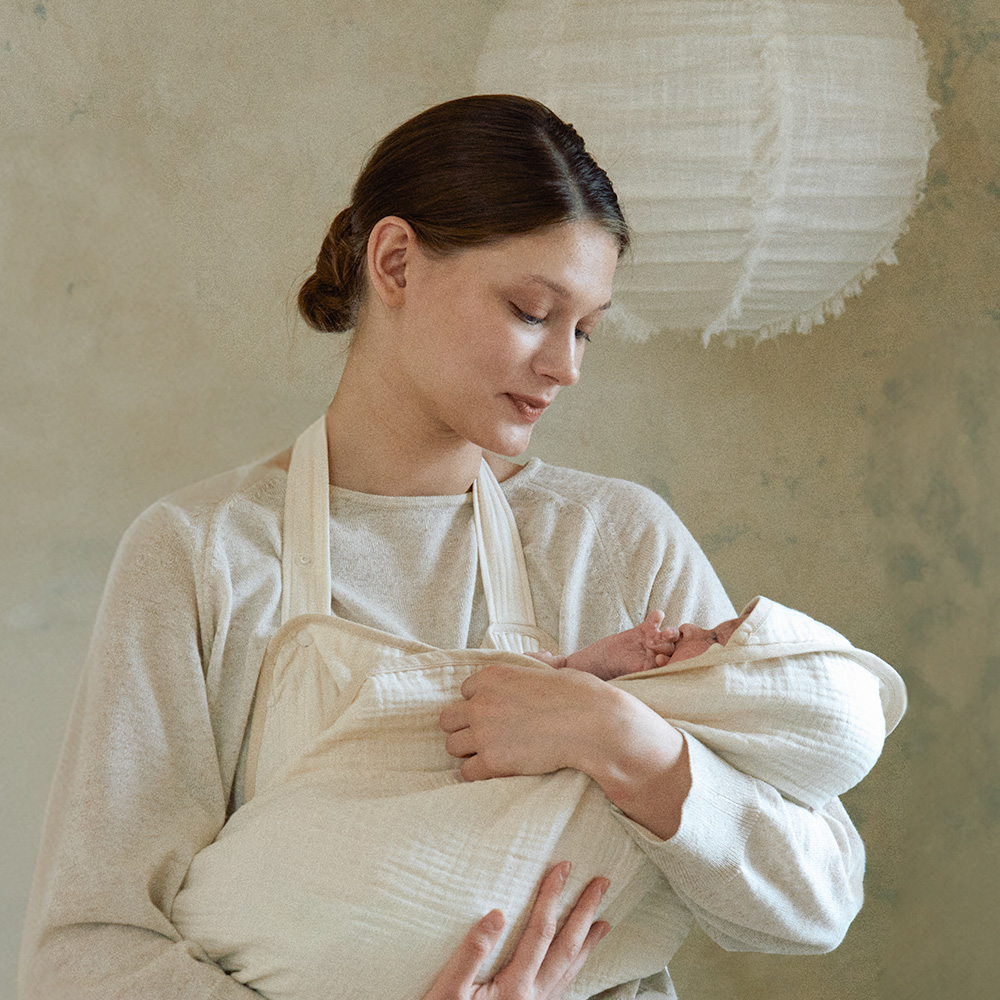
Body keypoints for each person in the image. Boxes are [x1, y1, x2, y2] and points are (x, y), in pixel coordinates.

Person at [18, 94, 879, 1000]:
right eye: (531, 310)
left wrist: (617, 736)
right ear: (395, 262)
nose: (566, 366)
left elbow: (814, 898)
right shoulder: (201, 554)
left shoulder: (617, 541)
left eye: (586, 328)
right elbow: (87, 955)